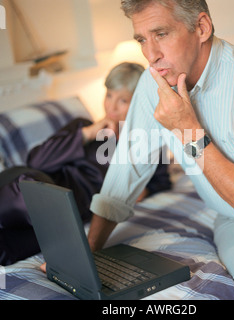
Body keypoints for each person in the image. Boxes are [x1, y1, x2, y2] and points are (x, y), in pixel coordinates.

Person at [87, 0, 234, 300]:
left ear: (201, 27)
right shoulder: (153, 85)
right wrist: (89, 250)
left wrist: (188, 129)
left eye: (161, 34)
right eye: (142, 40)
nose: (150, 55)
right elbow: (127, 168)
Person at [0, 62, 172, 266]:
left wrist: (143, 190)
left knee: (8, 252)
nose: (112, 106)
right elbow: (36, 161)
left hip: (71, 215)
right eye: (109, 95)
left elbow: (162, 181)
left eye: (123, 100)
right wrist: (88, 133)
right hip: (36, 186)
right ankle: (68, 244)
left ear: (138, 104)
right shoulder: (82, 126)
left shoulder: (145, 143)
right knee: (33, 194)